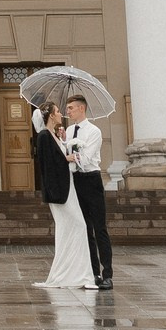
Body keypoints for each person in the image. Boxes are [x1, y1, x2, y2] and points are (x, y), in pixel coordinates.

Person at [29, 103, 92, 290]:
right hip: (58, 191)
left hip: (67, 187)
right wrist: (67, 158)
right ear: (50, 116)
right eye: (57, 111)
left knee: (73, 228)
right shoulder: (43, 136)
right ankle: (68, 274)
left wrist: (65, 144)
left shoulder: (54, 135)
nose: (60, 113)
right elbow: (47, 164)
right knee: (76, 226)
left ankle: (75, 274)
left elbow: (57, 156)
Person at [61, 95, 112, 291]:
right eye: (67, 108)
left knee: (99, 228)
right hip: (77, 181)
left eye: (71, 108)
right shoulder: (68, 130)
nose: (68, 111)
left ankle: (108, 273)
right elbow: (68, 155)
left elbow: (87, 157)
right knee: (85, 228)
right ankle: (94, 273)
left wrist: (70, 156)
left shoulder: (94, 131)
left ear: (82, 108)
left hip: (91, 179)